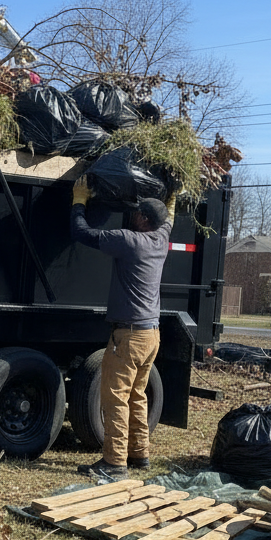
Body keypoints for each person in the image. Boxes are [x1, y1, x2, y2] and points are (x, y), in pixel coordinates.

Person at [69, 179, 174, 480]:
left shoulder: (129, 241)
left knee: (115, 397)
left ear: (143, 219)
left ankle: (114, 463)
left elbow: (81, 232)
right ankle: (139, 453)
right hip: (151, 334)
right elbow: (170, 216)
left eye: (137, 213)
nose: (134, 216)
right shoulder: (161, 239)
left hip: (129, 335)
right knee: (137, 394)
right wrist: (173, 194)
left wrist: (79, 199)